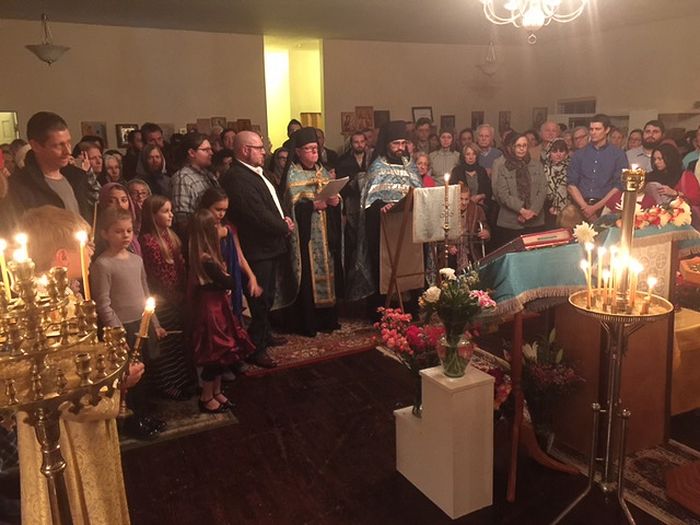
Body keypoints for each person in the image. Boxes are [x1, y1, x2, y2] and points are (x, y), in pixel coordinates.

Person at [18, 205, 139, 524]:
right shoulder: (55, 312)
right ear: (61, 257)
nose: (91, 250)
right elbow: (71, 396)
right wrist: (118, 382)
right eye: (84, 244)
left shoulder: (34, 302)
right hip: (69, 440)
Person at [220, 131, 295, 368]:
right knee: (259, 300)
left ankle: (264, 334)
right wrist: (282, 226)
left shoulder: (255, 172)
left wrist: (285, 218)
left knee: (268, 296)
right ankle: (256, 348)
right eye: (259, 148)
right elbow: (256, 214)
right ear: (245, 150)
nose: (264, 152)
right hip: (256, 248)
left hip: (269, 245)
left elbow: (273, 201)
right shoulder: (236, 178)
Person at [91, 207, 167, 440]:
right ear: (104, 234)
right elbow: (103, 303)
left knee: (145, 372)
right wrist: (117, 331)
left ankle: (144, 414)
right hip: (122, 328)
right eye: (118, 231)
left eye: (129, 230)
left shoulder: (136, 260)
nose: (125, 235)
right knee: (129, 377)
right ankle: (133, 421)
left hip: (142, 323)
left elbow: (146, 294)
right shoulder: (102, 265)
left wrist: (155, 323)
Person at [349, 121, 422, 316]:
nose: (400, 147)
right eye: (396, 143)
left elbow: (419, 192)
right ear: (386, 144)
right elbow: (368, 202)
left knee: (409, 263)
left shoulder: (410, 167)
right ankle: (383, 309)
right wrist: (382, 205)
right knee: (384, 267)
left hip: (408, 227)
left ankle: (409, 308)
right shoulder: (377, 167)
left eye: (403, 143)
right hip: (383, 229)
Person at [188, 209, 256, 412]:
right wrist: (226, 276)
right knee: (214, 352)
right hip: (211, 308)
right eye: (215, 226)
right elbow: (229, 282)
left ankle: (216, 391)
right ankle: (206, 396)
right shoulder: (205, 258)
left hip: (217, 303)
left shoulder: (209, 254)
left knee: (222, 352)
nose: (220, 228)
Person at [281, 127, 342, 336]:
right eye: (309, 148)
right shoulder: (292, 175)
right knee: (308, 277)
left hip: (325, 234)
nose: (314, 152)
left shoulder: (322, 171)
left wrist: (336, 202)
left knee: (329, 272)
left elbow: (332, 196)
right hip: (305, 238)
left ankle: (328, 319)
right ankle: (309, 322)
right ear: (298, 152)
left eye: (316, 148)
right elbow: (290, 207)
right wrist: (313, 206)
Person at [139, 195, 195, 400]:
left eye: (171, 210)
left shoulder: (170, 236)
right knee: (166, 346)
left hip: (177, 296)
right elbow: (159, 276)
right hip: (163, 300)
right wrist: (175, 297)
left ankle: (181, 380)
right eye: (165, 211)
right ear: (152, 215)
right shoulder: (149, 242)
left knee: (177, 342)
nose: (171, 215)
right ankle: (168, 384)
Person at [7, 112, 92, 226]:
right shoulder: (18, 186)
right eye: (58, 145)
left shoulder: (77, 178)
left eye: (68, 143)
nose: (68, 151)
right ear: (36, 146)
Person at [198, 188, 262, 321]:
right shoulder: (200, 227)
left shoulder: (228, 228)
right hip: (212, 283)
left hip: (230, 278)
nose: (221, 214)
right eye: (218, 209)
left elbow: (239, 255)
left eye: (225, 210)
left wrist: (252, 277)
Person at [567, 114, 628, 221]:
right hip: (580, 206)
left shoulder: (618, 155)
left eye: (597, 129)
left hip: (606, 207)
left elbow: (619, 186)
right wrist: (586, 208)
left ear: (607, 130)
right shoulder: (579, 154)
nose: (593, 132)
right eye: (591, 129)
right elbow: (571, 184)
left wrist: (595, 208)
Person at [493, 133, 547, 246]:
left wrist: (532, 211)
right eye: (518, 145)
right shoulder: (504, 168)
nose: (522, 149)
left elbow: (542, 190)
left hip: (535, 220)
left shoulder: (537, 166)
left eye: (524, 145)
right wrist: (522, 210)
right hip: (511, 222)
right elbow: (502, 194)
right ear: (512, 147)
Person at [335, 131, 370, 284]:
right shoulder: (343, 161)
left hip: (368, 204)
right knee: (353, 239)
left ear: (366, 142)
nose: (359, 145)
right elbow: (341, 188)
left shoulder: (372, 159)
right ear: (351, 144)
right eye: (356, 142)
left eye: (362, 141)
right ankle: (353, 276)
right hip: (351, 204)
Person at [171, 132, 218, 235]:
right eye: (206, 150)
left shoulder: (208, 174)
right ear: (192, 153)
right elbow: (182, 220)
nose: (211, 153)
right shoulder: (183, 179)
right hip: (198, 236)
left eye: (210, 149)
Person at [643, 143, 700, 228]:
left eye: (660, 159)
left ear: (670, 158)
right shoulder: (650, 177)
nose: (656, 162)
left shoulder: (685, 176)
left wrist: (675, 193)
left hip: (680, 223)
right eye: (654, 159)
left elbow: (696, 199)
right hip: (653, 223)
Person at [449, 182, 490, 269]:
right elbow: (440, 233)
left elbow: (484, 226)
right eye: (461, 199)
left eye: (466, 199)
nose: (464, 202)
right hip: (452, 249)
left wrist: (486, 232)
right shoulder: (448, 209)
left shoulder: (477, 210)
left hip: (470, 248)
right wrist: (449, 246)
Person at [450, 143, 492, 216]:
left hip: (479, 208)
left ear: (477, 156)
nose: (471, 157)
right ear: (464, 156)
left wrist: (480, 196)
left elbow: (489, 190)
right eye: (468, 154)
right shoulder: (457, 171)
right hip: (460, 209)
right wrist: (468, 199)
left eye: (474, 154)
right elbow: (452, 191)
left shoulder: (481, 171)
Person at [543, 138, 571, 226]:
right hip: (546, 209)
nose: (558, 154)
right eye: (555, 151)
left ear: (566, 153)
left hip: (568, 210)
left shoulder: (572, 168)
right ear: (549, 153)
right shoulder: (543, 169)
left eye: (561, 151)